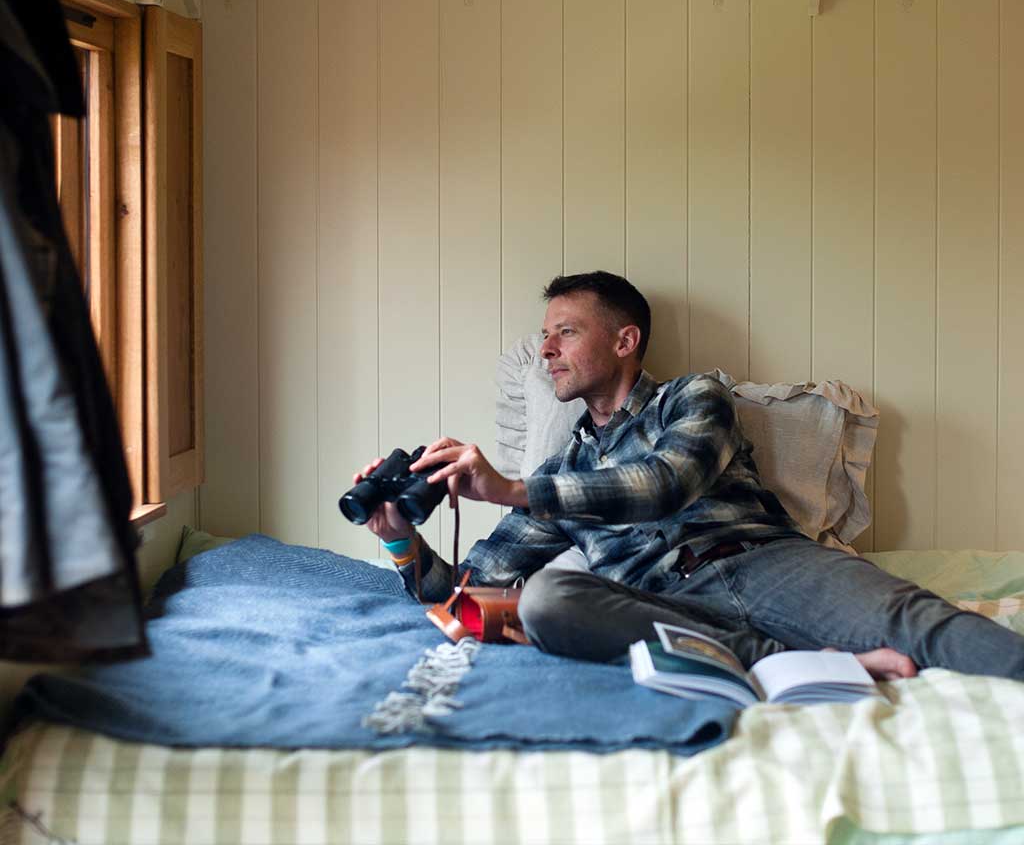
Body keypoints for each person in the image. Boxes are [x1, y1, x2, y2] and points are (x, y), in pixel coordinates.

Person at [355, 271, 1024, 682]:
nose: (547, 350)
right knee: (545, 601)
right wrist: (398, 540)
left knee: (924, 624)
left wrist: (508, 488)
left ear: (625, 340)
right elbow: (468, 595)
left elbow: (665, 483)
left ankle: (804, 653)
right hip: (661, 604)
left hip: (767, 564)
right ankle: (784, 659)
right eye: (544, 335)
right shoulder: (566, 469)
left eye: (564, 332)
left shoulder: (694, 397)